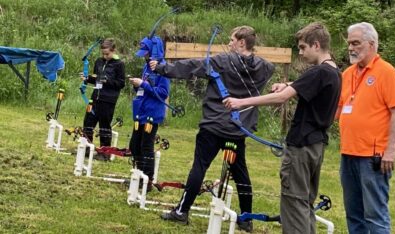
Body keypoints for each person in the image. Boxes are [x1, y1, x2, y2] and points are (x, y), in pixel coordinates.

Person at [149, 25, 275, 232]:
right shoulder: (264, 67)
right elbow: (266, 69)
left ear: (242, 42)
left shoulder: (222, 61)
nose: (229, 43)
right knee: (241, 173)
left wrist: (161, 67)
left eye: (232, 40)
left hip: (214, 126)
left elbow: (191, 67)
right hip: (237, 129)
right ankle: (246, 220)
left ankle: (182, 212)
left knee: (199, 166)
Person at [224, 22, 341, 234]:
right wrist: (287, 85)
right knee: (305, 204)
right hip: (316, 146)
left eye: (303, 47)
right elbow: (301, 86)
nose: (301, 52)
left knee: (294, 205)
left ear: (316, 45)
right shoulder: (333, 71)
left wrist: (241, 102)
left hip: (301, 148)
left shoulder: (318, 72)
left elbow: (281, 98)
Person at [337, 22, 395, 234]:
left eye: (356, 43)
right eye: (349, 44)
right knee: (353, 214)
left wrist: (390, 150)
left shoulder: (387, 72)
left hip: (373, 157)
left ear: (371, 44)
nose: (351, 48)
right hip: (348, 153)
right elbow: (337, 110)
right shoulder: (347, 74)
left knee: (375, 215)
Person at [129, 35, 170, 191]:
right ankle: (138, 175)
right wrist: (136, 85)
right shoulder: (147, 67)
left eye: (146, 52)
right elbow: (144, 87)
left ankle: (147, 180)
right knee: (134, 146)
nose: (144, 55)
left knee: (146, 147)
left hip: (151, 114)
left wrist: (143, 85)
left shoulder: (163, 69)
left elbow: (162, 93)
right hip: (140, 112)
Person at [82, 38, 126, 161]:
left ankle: (104, 153)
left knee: (104, 126)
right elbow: (96, 78)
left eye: (107, 54)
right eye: (103, 54)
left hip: (108, 100)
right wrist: (87, 78)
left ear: (113, 51)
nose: (105, 56)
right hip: (95, 97)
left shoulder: (119, 64)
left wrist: (108, 81)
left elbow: (121, 83)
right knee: (88, 122)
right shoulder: (99, 62)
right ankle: (86, 148)